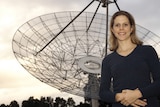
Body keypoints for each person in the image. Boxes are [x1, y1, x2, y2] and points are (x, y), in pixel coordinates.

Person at [99, 10, 160, 107]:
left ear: (131, 28)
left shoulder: (147, 51)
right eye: (117, 25)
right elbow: (103, 93)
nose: (121, 28)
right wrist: (121, 97)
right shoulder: (108, 60)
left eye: (125, 25)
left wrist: (137, 94)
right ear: (112, 29)